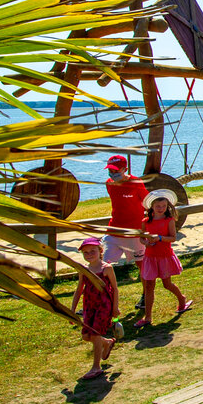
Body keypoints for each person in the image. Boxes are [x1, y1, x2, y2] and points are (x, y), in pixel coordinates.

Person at [134, 189, 192, 328]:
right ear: (152, 207)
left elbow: (172, 238)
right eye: (158, 206)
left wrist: (159, 238)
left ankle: (181, 299)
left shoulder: (169, 220)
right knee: (149, 286)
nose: (161, 209)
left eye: (163, 206)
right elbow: (142, 238)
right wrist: (146, 242)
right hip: (150, 257)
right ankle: (147, 317)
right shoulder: (146, 221)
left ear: (167, 207)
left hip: (164, 256)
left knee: (167, 284)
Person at [71, 237, 119, 380]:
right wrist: (72, 310)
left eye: (93, 251)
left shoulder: (106, 268)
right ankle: (107, 342)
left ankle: (96, 367)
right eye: (86, 253)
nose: (89, 254)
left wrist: (115, 308)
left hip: (104, 306)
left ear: (100, 251)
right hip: (89, 306)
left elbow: (115, 289)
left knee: (95, 335)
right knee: (87, 336)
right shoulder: (84, 270)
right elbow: (79, 290)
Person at [102, 154, 146, 268]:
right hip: (115, 230)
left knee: (141, 265)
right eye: (110, 169)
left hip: (135, 232)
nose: (112, 172)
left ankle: (148, 286)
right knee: (104, 265)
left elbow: (147, 202)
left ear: (125, 170)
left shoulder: (136, 183)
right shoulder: (109, 183)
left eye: (116, 170)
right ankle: (108, 286)